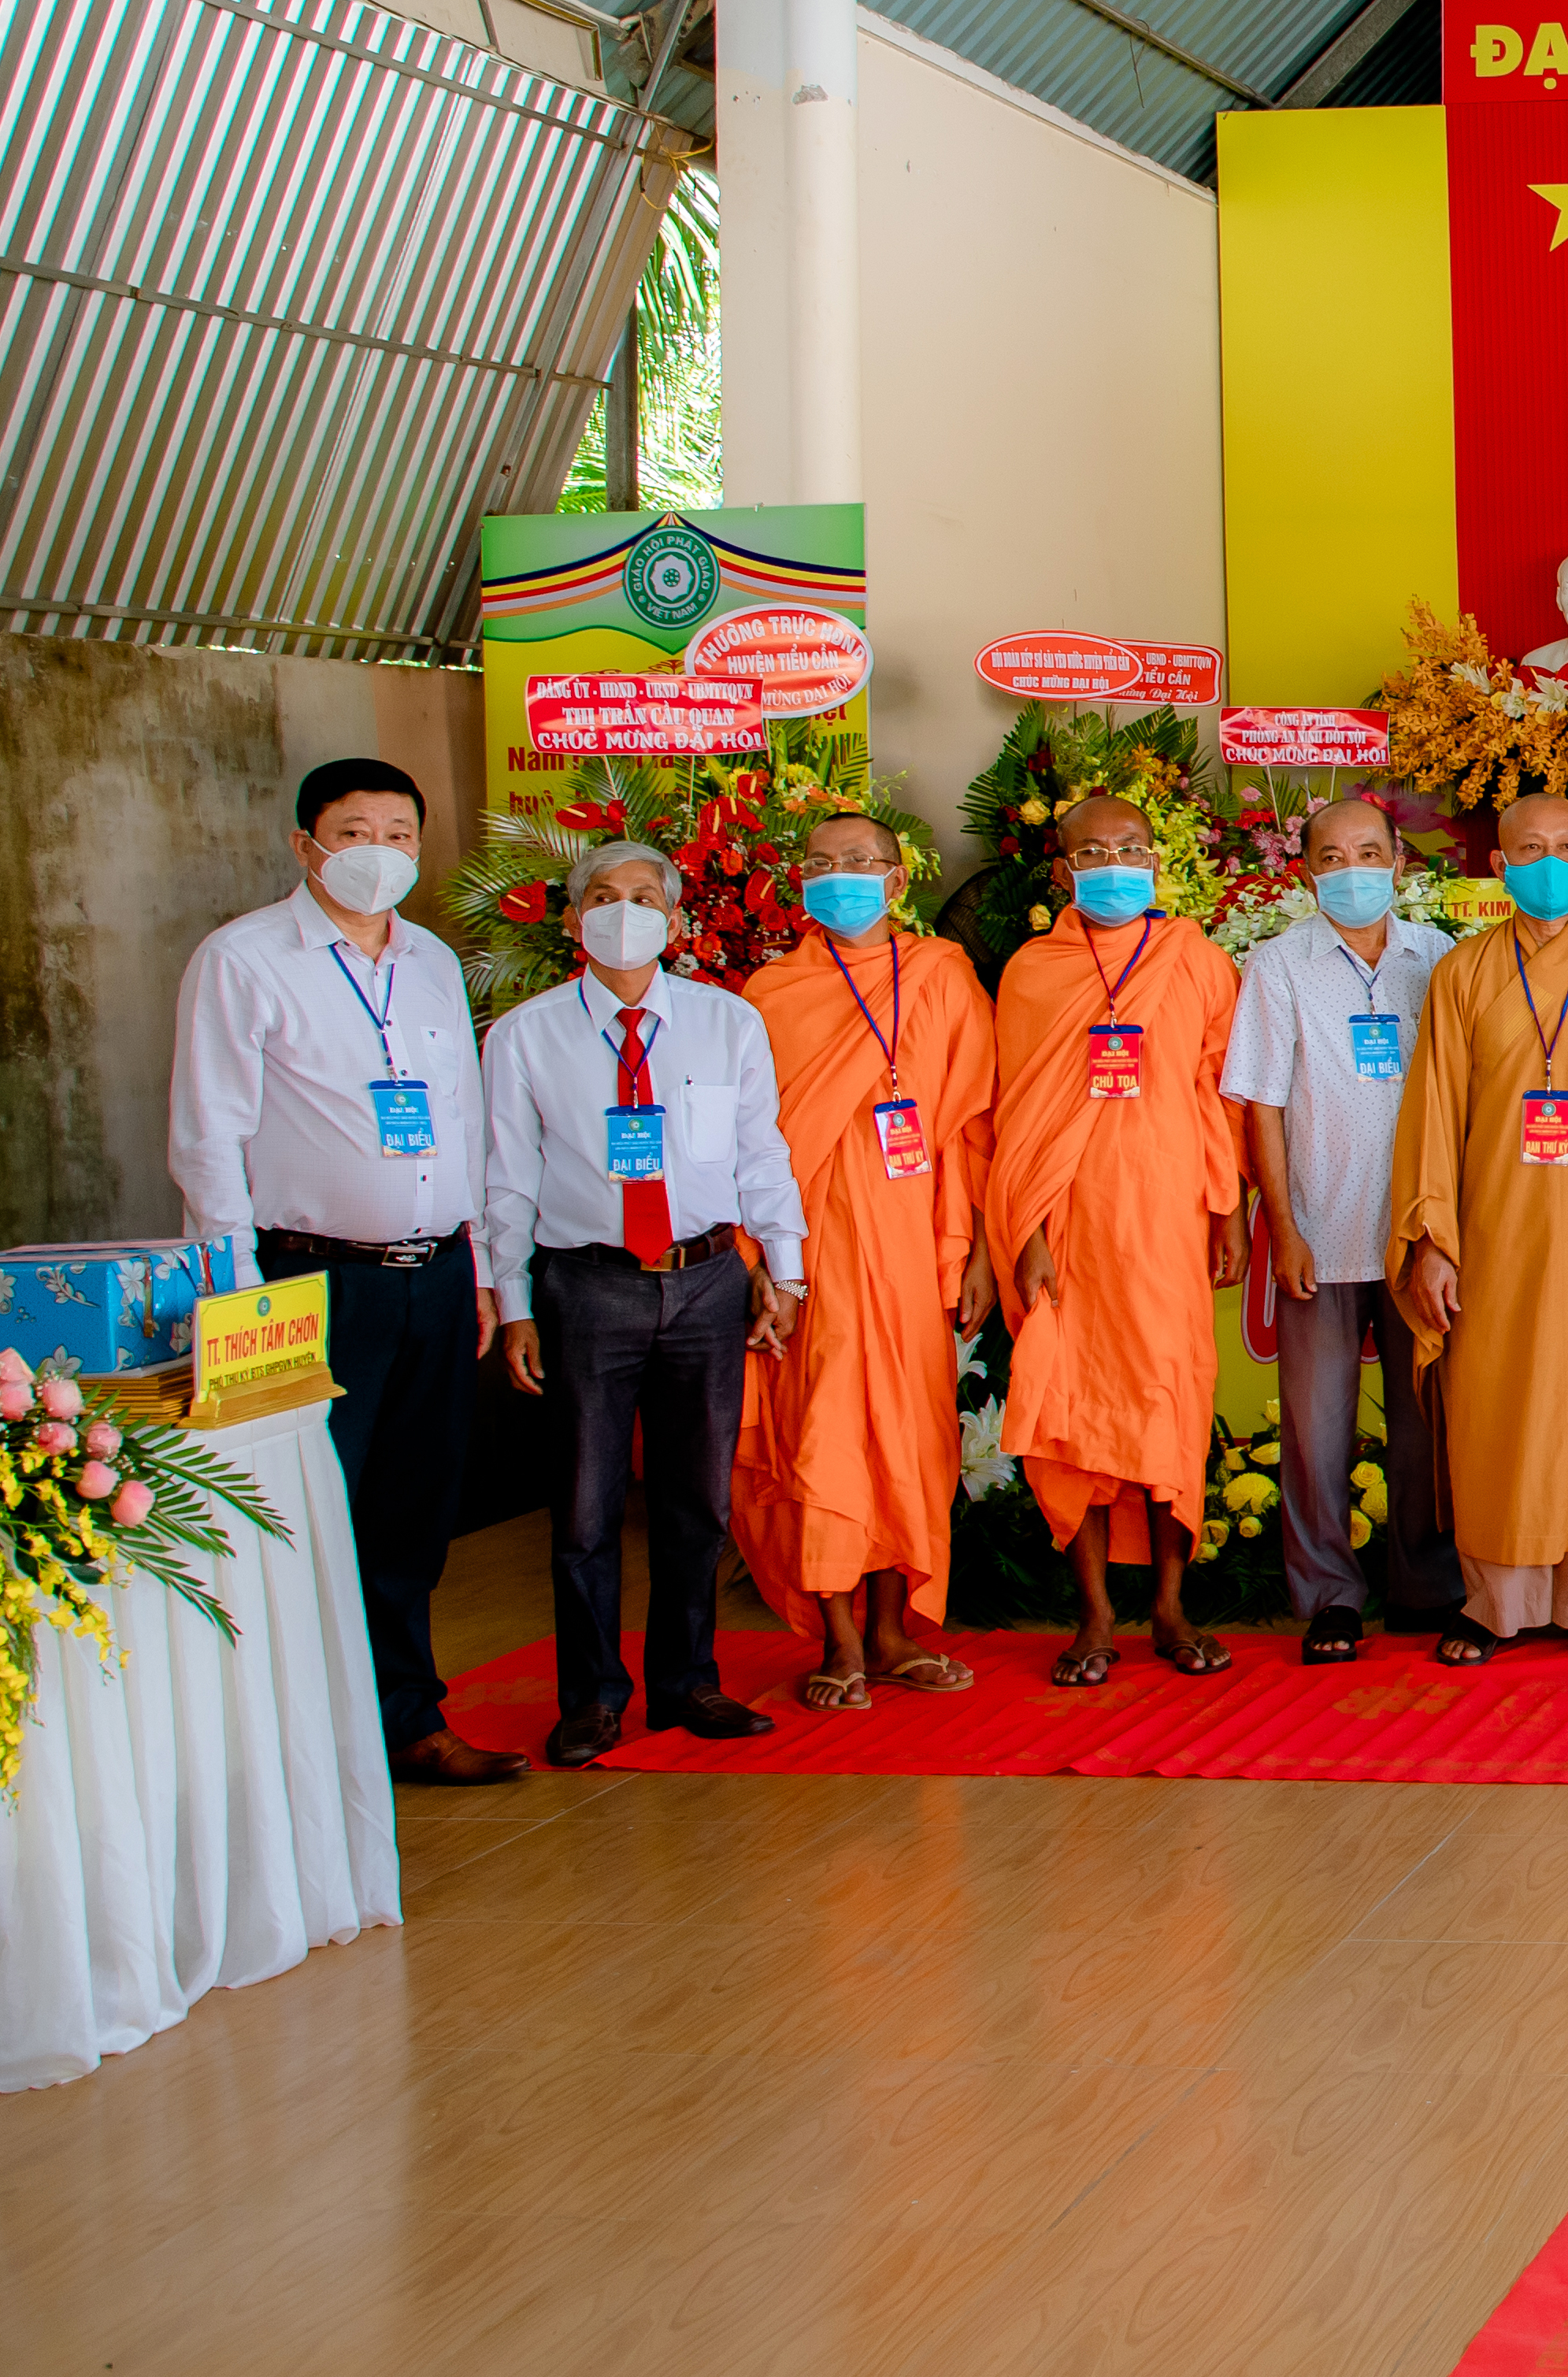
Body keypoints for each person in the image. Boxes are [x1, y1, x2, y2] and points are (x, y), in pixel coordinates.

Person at [168, 758, 522, 1783]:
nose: (381, 853)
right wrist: (236, 1296)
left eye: (401, 834)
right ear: (304, 846)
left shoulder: (431, 964)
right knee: (301, 1511)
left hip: (436, 1274)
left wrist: (487, 1269)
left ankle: (408, 1720)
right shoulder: (244, 962)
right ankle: (295, 1747)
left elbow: (463, 1120)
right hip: (306, 1281)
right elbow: (209, 1140)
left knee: (412, 1512)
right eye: (355, 832)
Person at [483, 835, 805, 1763]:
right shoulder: (526, 1035)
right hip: (586, 1286)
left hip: (705, 1280)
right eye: (603, 894)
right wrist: (513, 1304)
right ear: (574, 915)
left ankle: (687, 1681)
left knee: (696, 1500)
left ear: (674, 919)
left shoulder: (725, 1023)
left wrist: (783, 1270)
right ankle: (589, 1696)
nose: (624, 911)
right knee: (585, 1510)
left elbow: (761, 1153)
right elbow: (507, 1178)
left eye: (644, 897)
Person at [1392, 793, 1568, 1655]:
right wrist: (1434, 1240)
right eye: (1528, 847)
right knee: (1497, 1407)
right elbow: (1433, 1110)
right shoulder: (1463, 971)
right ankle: (1495, 1603)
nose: (1547, 861)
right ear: (1498, 864)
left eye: (1564, 846)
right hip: (1494, 1231)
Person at [736, 811, 995, 1706]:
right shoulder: (770, 992)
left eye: (859, 861)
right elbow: (745, 1143)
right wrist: (764, 1264)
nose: (839, 874)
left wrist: (979, 1253)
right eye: (820, 862)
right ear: (800, 879)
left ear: (896, 876)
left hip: (917, 1246)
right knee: (824, 1434)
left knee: (910, 1443)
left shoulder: (942, 975)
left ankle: (892, 1631)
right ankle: (839, 1639)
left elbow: (971, 1125)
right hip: (812, 1254)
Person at [991, 794, 1245, 1686]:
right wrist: (1023, 1233)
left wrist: (1230, 1208)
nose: (1113, 863)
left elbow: (1222, 1094)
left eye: (1130, 847)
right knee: (1070, 1413)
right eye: (1092, 850)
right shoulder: (1032, 970)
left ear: (1156, 860)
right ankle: (1095, 1612)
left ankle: (1171, 1606)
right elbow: (1013, 1116)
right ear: (1061, 870)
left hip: (1170, 1219)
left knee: (1170, 1399)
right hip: (1070, 1227)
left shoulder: (1198, 961)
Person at [1222, 794, 1456, 1663]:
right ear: (1308, 869)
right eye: (1331, 855)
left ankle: (1427, 1585)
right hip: (1317, 1231)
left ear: (1401, 859)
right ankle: (1328, 1596)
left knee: (1424, 1422)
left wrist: (1440, 1231)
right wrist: (1282, 1225)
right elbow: (1263, 1106)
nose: (1351, 868)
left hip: (1415, 1239)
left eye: (1368, 850)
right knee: (1316, 1430)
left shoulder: (1439, 960)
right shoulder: (1277, 966)